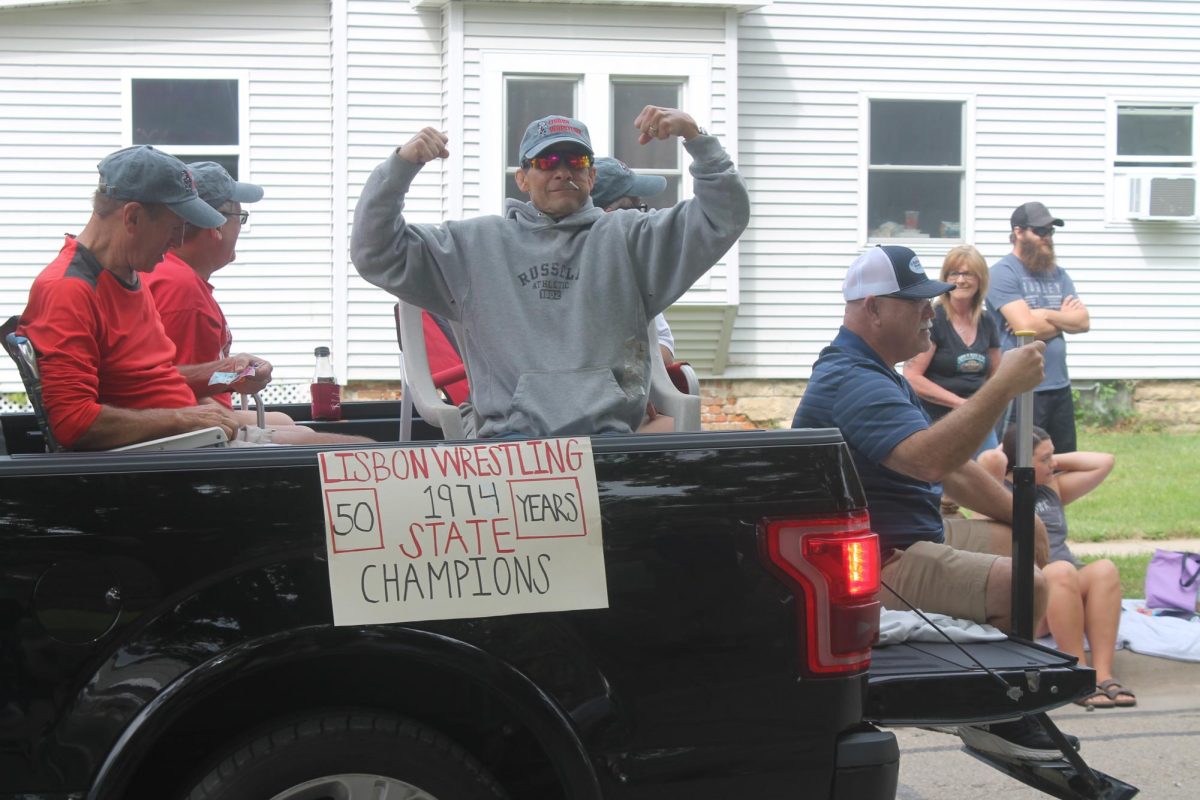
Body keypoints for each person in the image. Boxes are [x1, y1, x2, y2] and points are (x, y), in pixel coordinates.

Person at [792, 244, 1074, 762]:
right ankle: (999, 711)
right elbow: (929, 460)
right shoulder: (853, 380)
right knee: (1025, 584)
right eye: (917, 301)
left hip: (909, 535)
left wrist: (1019, 514)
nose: (931, 311)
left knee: (1017, 539)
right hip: (882, 563)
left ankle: (997, 687)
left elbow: (952, 467)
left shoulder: (877, 371)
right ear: (873, 308)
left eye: (932, 299)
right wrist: (1003, 385)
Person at [351, 108, 750, 439]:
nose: (562, 172)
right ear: (522, 179)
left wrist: (696, 138)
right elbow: (376, 251)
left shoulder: (632, 239)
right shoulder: (472, 244)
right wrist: (401, 167)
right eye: (546, 162)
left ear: (592, 176)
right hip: (511, 446)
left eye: (575, 161)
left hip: (608, 440)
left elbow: (723, 217)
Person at [16, 146, 368, 451]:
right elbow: (73, 422)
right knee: (360, 455)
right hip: (174, 450)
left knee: (346, 446)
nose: (178, 242)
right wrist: (183, 419)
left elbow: (153, 379)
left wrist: (223, 373)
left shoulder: (127, 273)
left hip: (193, 436)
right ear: (133, 217)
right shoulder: (69, 290)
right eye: (175, 228)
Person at [979, 427, 1133, 708]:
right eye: (1045, 459)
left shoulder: (1053, 488)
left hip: (1067, 586)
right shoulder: (994, 494)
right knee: (1060, 570)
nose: (1054, 465)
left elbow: (1104, 461)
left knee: (1104, 569)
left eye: (1053, 458)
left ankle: (1103, 673)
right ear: (1021, 462)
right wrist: (1010, 453)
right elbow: (988, 461)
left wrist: (1048, 458)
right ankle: (1076, 674)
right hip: (1029, 596)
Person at [145, 161, 293, 427]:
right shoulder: (181, 290)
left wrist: (237, 373)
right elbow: (179, 393)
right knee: (333, 444)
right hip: (194, 432)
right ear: (216, 225)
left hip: (195, 417)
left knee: (285, 421)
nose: (240, 230)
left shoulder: (171, 274)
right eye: (240, 218)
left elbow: (196, 379)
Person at [988, 201, 1089, 453]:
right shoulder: (1003, 273)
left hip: (1059, 386)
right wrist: (1063, 319)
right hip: (1022, 388)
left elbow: (1083, 321)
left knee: (1061, 461)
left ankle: (1054, 496)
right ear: (1018, 232)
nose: (1047, 238)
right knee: (1020, 463)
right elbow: (1025, 328)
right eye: (1040, 231)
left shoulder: (1058, 274)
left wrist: (1043, 314)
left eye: (1050, 232)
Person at [903, 245, 1001, 454]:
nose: (960, 280)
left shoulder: (987, 321)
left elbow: (996, 375)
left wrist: (984, 406)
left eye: (968, 274)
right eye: (954, 273)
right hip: (936, 421)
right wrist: (961, 405)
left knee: (993, 467)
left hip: (977, 421)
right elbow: (912, 376)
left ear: (980, 279)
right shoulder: (934, 318)